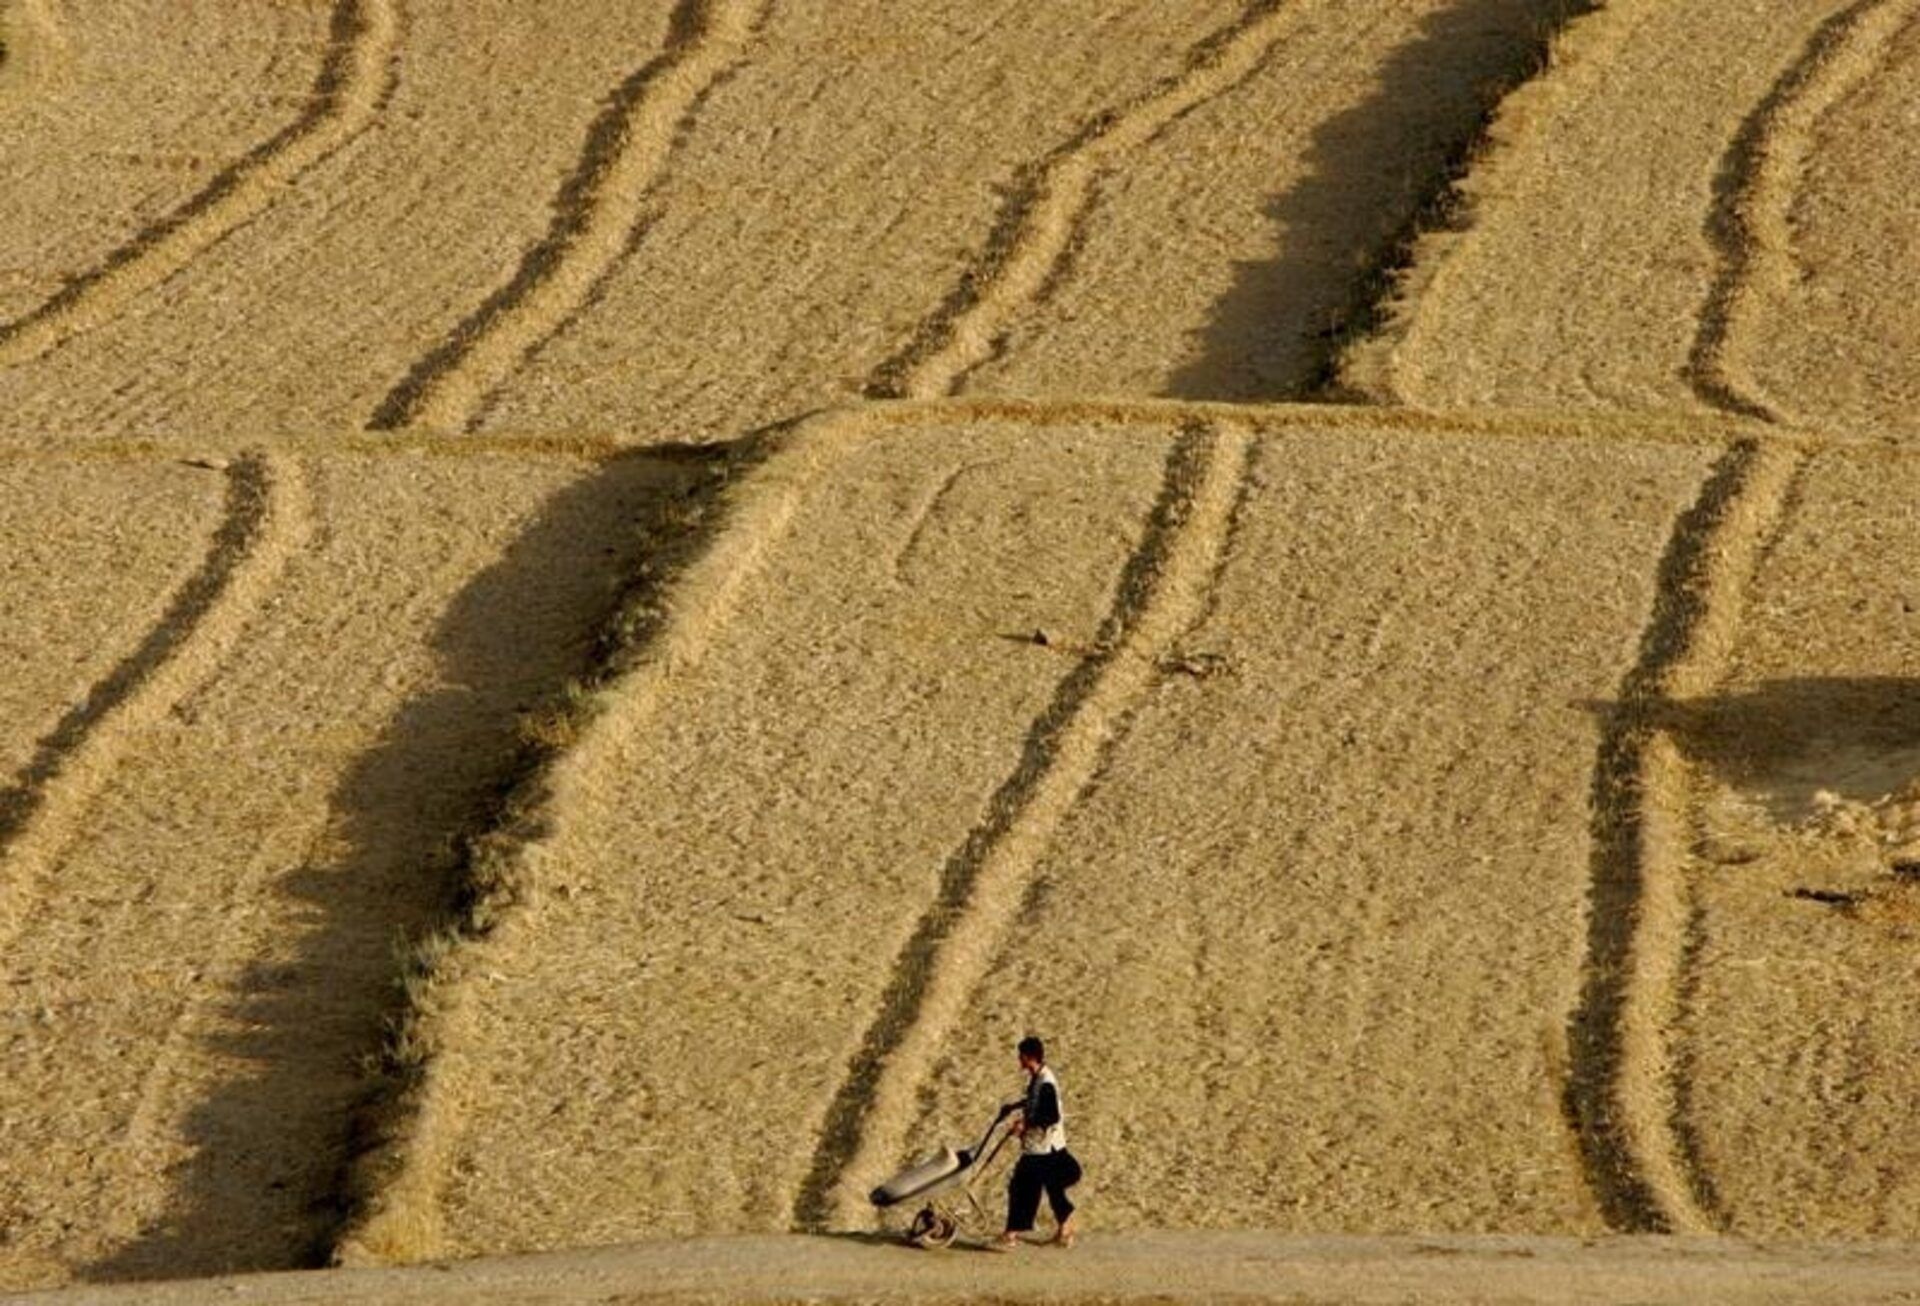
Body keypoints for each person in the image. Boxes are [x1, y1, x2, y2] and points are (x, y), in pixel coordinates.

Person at [990, 1035, 1081, 1251]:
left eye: (1020, 1055)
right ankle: (1065, 1230)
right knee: (1052, 1187)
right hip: (1047, 1147)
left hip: (1042, 1148)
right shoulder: (1039, 1077)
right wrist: (1014, 1106)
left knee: (1021, 1187)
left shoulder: (1046, 1082)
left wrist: (1024, 1125)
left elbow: (1051, 1116)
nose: (1018, 1059)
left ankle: (1010, 1235)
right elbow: (1036, 1101)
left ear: (1029, 1057)